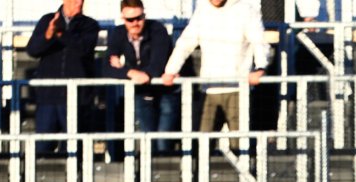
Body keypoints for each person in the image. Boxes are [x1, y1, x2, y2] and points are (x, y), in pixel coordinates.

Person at [162, 0, 270, 134]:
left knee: (240, 144)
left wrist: (260, 68)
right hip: (209, 89)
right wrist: (171, 71)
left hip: (238, 89)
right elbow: (184, 44)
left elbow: (259, 42)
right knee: (203, 143)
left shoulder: (245, 10)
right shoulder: (202, 12)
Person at [25, 0, 100, 154]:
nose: (79, 2)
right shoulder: (47, 20)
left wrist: (61, 34)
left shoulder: (89, 25)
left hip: (77, 99)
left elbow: (83, 49)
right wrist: (48, 34)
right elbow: (32, 50)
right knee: (42, 147)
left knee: (74, 148)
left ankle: (76, 177)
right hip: (48, 97)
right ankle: (40, 176)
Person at [105, 0, 177, 153]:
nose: (135, 23)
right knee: (147, 141)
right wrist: (129, 72)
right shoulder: (118, 33)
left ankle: (164, 175)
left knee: (164, 142)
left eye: (139, 17)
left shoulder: (157, 29)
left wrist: (135, 72)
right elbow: (106, 67)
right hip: (142, 92)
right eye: (130, 20)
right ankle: (148, 176)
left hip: (166, 91)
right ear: (123, 18)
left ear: (144, 15)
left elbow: (158, 64)